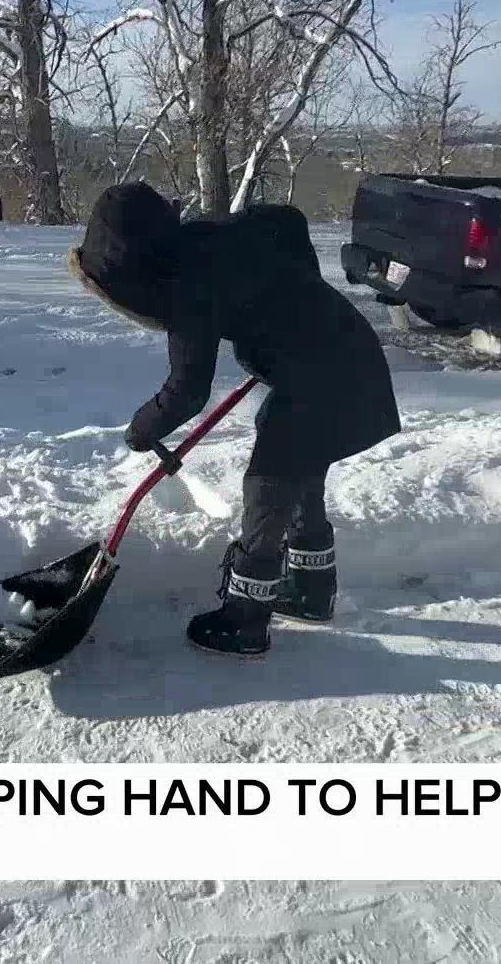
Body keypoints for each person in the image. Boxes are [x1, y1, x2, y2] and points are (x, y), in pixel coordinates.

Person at [68, 182, 401, 657]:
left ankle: (245, 619)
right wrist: (277, 323)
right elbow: (286, 226)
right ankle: (311, 591)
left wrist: (142, 430)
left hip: (324, 375)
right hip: (339, 359)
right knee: (297, 467)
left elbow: (186, 391)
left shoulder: (187, 281)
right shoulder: (208, 243)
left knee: (270, 479)